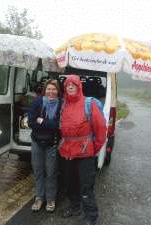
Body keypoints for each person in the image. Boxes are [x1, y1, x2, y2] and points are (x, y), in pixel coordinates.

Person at [59, 75, 107, 225]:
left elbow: (101, 129)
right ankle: (75, 207)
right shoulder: (64, 104)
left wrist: (94, 148)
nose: (70, 87)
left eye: (73, 84)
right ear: (65, 88)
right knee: (70, 183)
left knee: (86, 186)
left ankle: (91, 216)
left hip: (86, 153)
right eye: (68, 85)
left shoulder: (89, 103)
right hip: (67, 152)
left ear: (79, 86)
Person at [27, 79, 61, 212]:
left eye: (54, 89)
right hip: (36, 142)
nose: (51, 92)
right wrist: (49, 124)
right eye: (49, 89)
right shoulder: (38, 102)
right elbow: (30, 122)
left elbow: (58, 125)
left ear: (58, 91)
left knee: (51, 172)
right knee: (38, 171)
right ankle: (39, 197)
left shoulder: (61, 105)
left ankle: (50, 198)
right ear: (45, 90)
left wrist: (42, 121)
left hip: (52, 143)